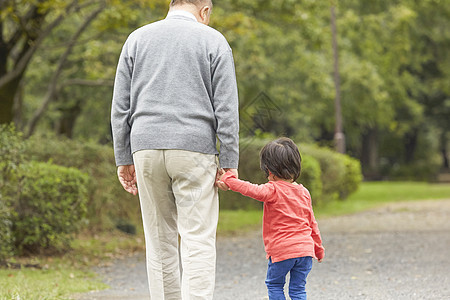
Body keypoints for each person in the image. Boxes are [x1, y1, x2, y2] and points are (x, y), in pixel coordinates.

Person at [110, 0, 239, 299]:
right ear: (204, 11)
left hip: (145, 147)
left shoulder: (137, 39)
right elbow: (227, 110)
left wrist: (123, 156)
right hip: (195, 149)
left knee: (159, 240)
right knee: (198, 239)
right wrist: (230, 159)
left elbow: (120, 108)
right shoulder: (214, 41)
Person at [217, 137, 324, 300]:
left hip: (282, 251)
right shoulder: (304, 192)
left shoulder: (272, 190)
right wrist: (318, 248)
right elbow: (312, 223)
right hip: (305, 251)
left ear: (269, 170)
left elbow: (249, 189)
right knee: (298, 289)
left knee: (275, 285)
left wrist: (228, 179)